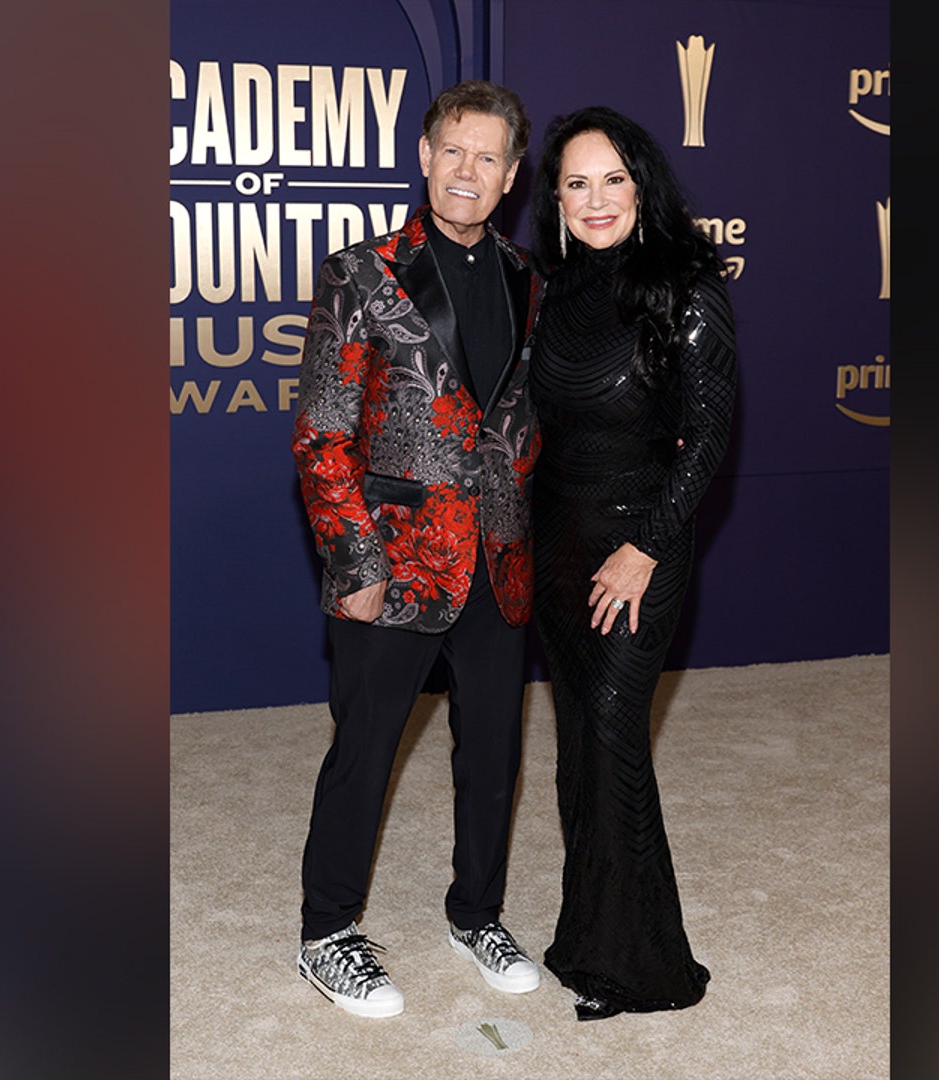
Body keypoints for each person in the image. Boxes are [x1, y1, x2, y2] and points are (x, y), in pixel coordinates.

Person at [289, 80, 545, 1019]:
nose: (468, 171)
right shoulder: (365, 273)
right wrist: (353, 563)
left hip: (498, 561)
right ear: (425, 157)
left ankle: (477, 911)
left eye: (489, 157)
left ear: (512, 176)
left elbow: (522, 425)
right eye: (454, 151)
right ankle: (327, 932)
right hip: (391, 565)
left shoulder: (531, 280)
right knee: (364, 748)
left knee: (494, 752)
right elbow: (322, 435)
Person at [525, 106, 738, 1021]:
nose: (596, 198)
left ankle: (640, 966)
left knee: (612, 735)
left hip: (639, 548)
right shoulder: (550, 290)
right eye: (577, 182)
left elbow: (709, 437)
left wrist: (645, 548)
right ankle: (588, 940)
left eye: (613, 178)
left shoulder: (686, 286)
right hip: (558, 551)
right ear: (557, 199)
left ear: (643, 185)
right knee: (578, 746)